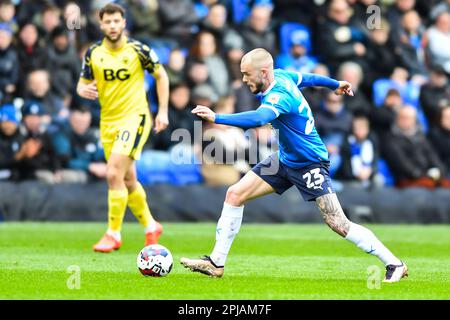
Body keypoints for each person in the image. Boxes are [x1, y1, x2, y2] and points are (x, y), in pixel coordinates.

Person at [181, 48, 408, 283]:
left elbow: (259, 119)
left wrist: (217, 118)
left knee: (338, 223)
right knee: (235, 194)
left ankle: (395, 264)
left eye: (247, 74)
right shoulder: (281, 75)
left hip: (310, 163)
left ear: (263, 72)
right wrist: (334, 83)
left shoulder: (279, 95)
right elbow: (307, 78)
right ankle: (216, 262)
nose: (244, 79)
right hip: (286, 158)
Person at [76, 3, 169, 253]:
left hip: (135, 117)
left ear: (124, 23)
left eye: (117, 21)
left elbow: (161, 76)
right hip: (108, 122)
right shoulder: (93, 53)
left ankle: (113, 233)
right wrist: (82, 89)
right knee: (127, 179)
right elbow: (82, 82)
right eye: (108, 22)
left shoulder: (139, 50)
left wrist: (162, 111)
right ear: (101, 24)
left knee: (112, 173)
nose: (113, 26)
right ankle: (151, 226)